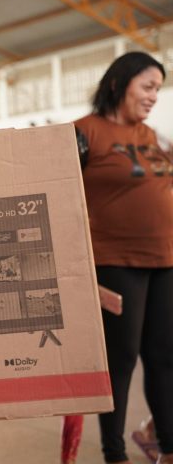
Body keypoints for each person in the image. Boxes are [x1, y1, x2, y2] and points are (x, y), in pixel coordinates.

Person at [74, 51, 172, 464]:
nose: (153, 96)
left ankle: (168, 447)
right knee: (121, 360)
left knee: (165, 358)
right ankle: (114, 454)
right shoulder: (84, 132)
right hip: (114, 261)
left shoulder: (152, 137)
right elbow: (58, 196)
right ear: (119, 83)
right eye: (147, 86)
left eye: (158, 89)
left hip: (165, 259)